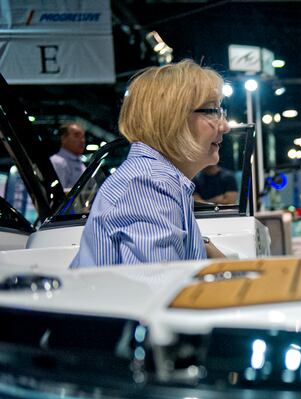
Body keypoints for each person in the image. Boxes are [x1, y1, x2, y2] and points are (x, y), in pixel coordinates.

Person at [70, 59, 228, 268]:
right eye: (211, 111)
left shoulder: (156, 178)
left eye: (220, 111)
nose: (225, 126)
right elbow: (159, 284)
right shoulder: (149, 184)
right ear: (172, 118)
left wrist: (205, 246)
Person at [50, 122, 86, 189]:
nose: (82, 140)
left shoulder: (80, 163)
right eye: (77, 135)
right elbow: (59, 192)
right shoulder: (57, 162)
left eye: (83, 136)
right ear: (63, 139)